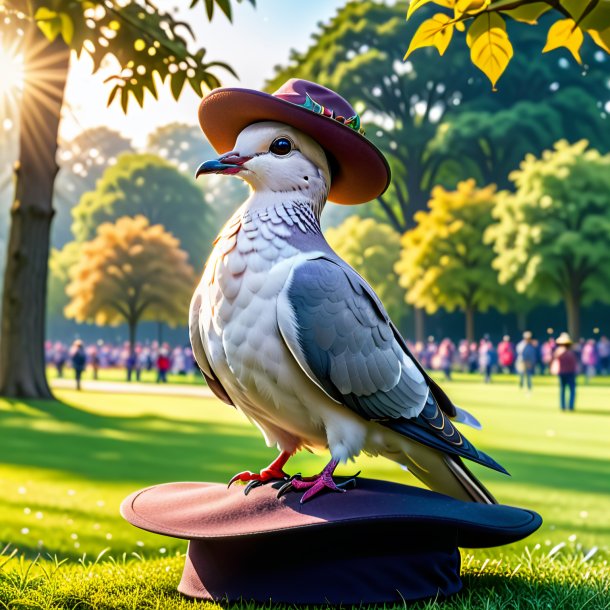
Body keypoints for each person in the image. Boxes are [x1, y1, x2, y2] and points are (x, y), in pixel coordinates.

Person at [551, 332, 579, 411]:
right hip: (570, 373)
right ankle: (570, 406)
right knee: (571, 390)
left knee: (563, 390)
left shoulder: (558, 352)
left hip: (562, 372)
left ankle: (563, 406)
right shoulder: (571, 352)